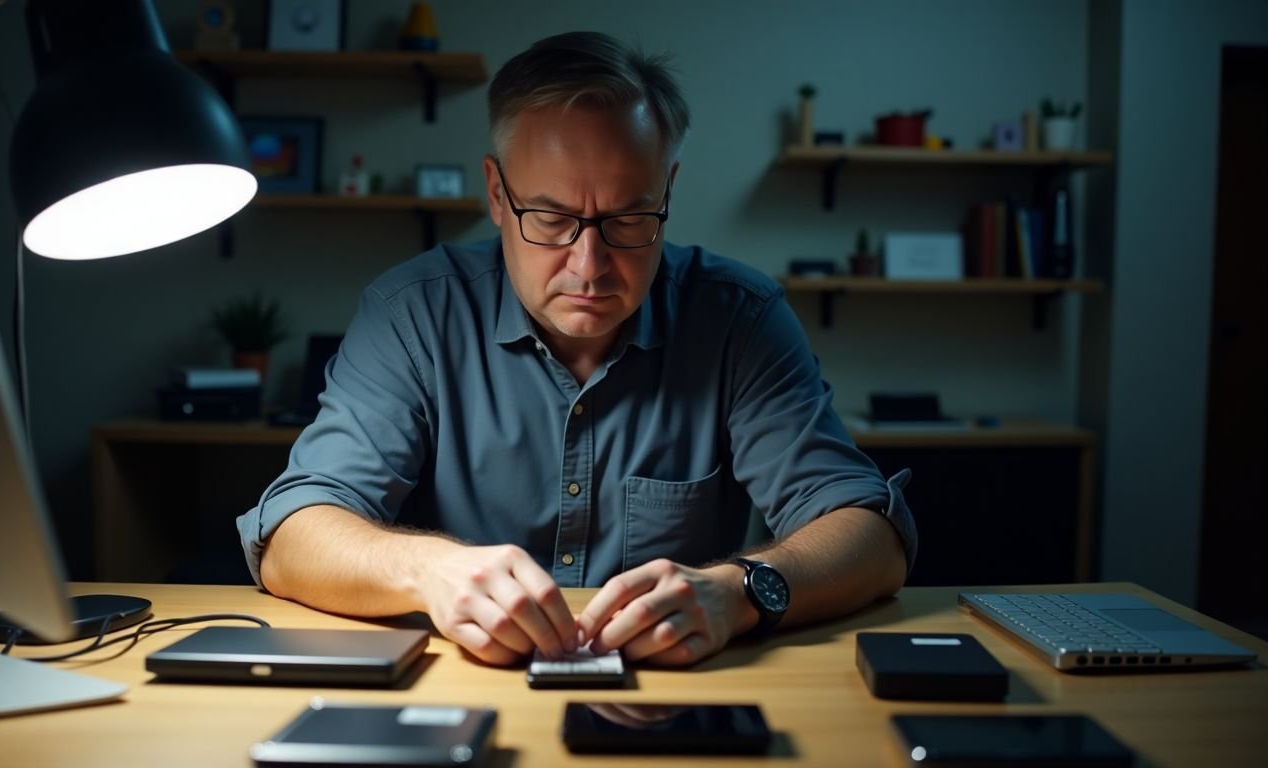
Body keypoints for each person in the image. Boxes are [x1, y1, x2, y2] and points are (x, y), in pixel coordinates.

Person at [238, 31, 916, 668]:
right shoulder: (411, 313)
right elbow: (291, 538)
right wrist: (428, 571)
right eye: (553, 220)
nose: (589, 266)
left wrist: (740, 592)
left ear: (668, 195)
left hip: (676, 698)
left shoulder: (740, 318)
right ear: (498, 194)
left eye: (627, 220)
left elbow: (872, 539)